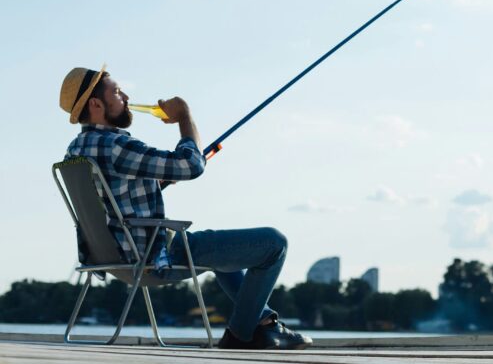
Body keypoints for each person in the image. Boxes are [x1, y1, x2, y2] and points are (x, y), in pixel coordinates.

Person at [59, 65, 311, 350]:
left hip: (113, 258)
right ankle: (241, 335)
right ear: (96, 104)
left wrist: (156, 184)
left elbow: (112, 197)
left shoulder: (76, 149)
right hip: (153, 258)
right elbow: (191, 165)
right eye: (117, 92)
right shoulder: (116, 145)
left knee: (223, 253)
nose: (126, 97)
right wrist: (184, 116)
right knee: (274, 244)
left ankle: (264, 323)